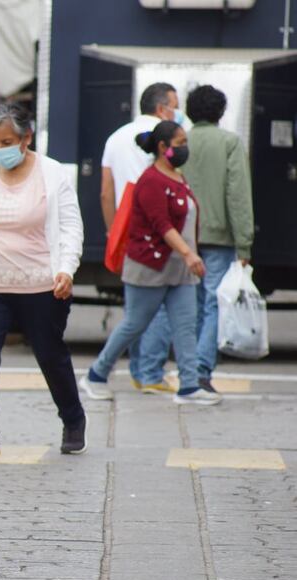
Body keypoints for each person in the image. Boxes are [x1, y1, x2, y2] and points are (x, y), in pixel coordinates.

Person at [0, 103, 87, 456]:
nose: (0, 149)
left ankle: (73, 419)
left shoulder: (52, 174)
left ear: (26, 137)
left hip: (42, 286)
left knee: (50, 355)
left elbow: (71, 226)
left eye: (7, 140)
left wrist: (66, 270)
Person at [81, 121, 222, 407]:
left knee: (184, 327)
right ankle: (96, 375)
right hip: (149, 266)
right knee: (135, 324)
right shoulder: (151, 181)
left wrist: (186, 256)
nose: (184, 148)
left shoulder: (177, 176)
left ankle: (190, 385)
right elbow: (161, 224)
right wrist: (189, 254)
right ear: (162, 147)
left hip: (179, 269)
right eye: (180, 142)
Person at [100, 82, 182, 393]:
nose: (177, 112)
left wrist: (112, 231)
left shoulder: (115, 137)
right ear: (162, 109)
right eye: (175, 105)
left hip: (126, 229)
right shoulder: (168, 138)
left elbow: (106, 191)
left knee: (136, 307)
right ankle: (149, 372)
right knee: (159, 302)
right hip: (160, 231)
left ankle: (139, 371)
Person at [180, 85, 254, 393]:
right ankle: (200, 370)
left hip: (182, 239)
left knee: (187, 305)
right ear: (220, 112)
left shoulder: (179, 141)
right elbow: (237, 195)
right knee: (213, 303)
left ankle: (186, 366)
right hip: (219, 237)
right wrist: (244, 242)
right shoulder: (229, 143)